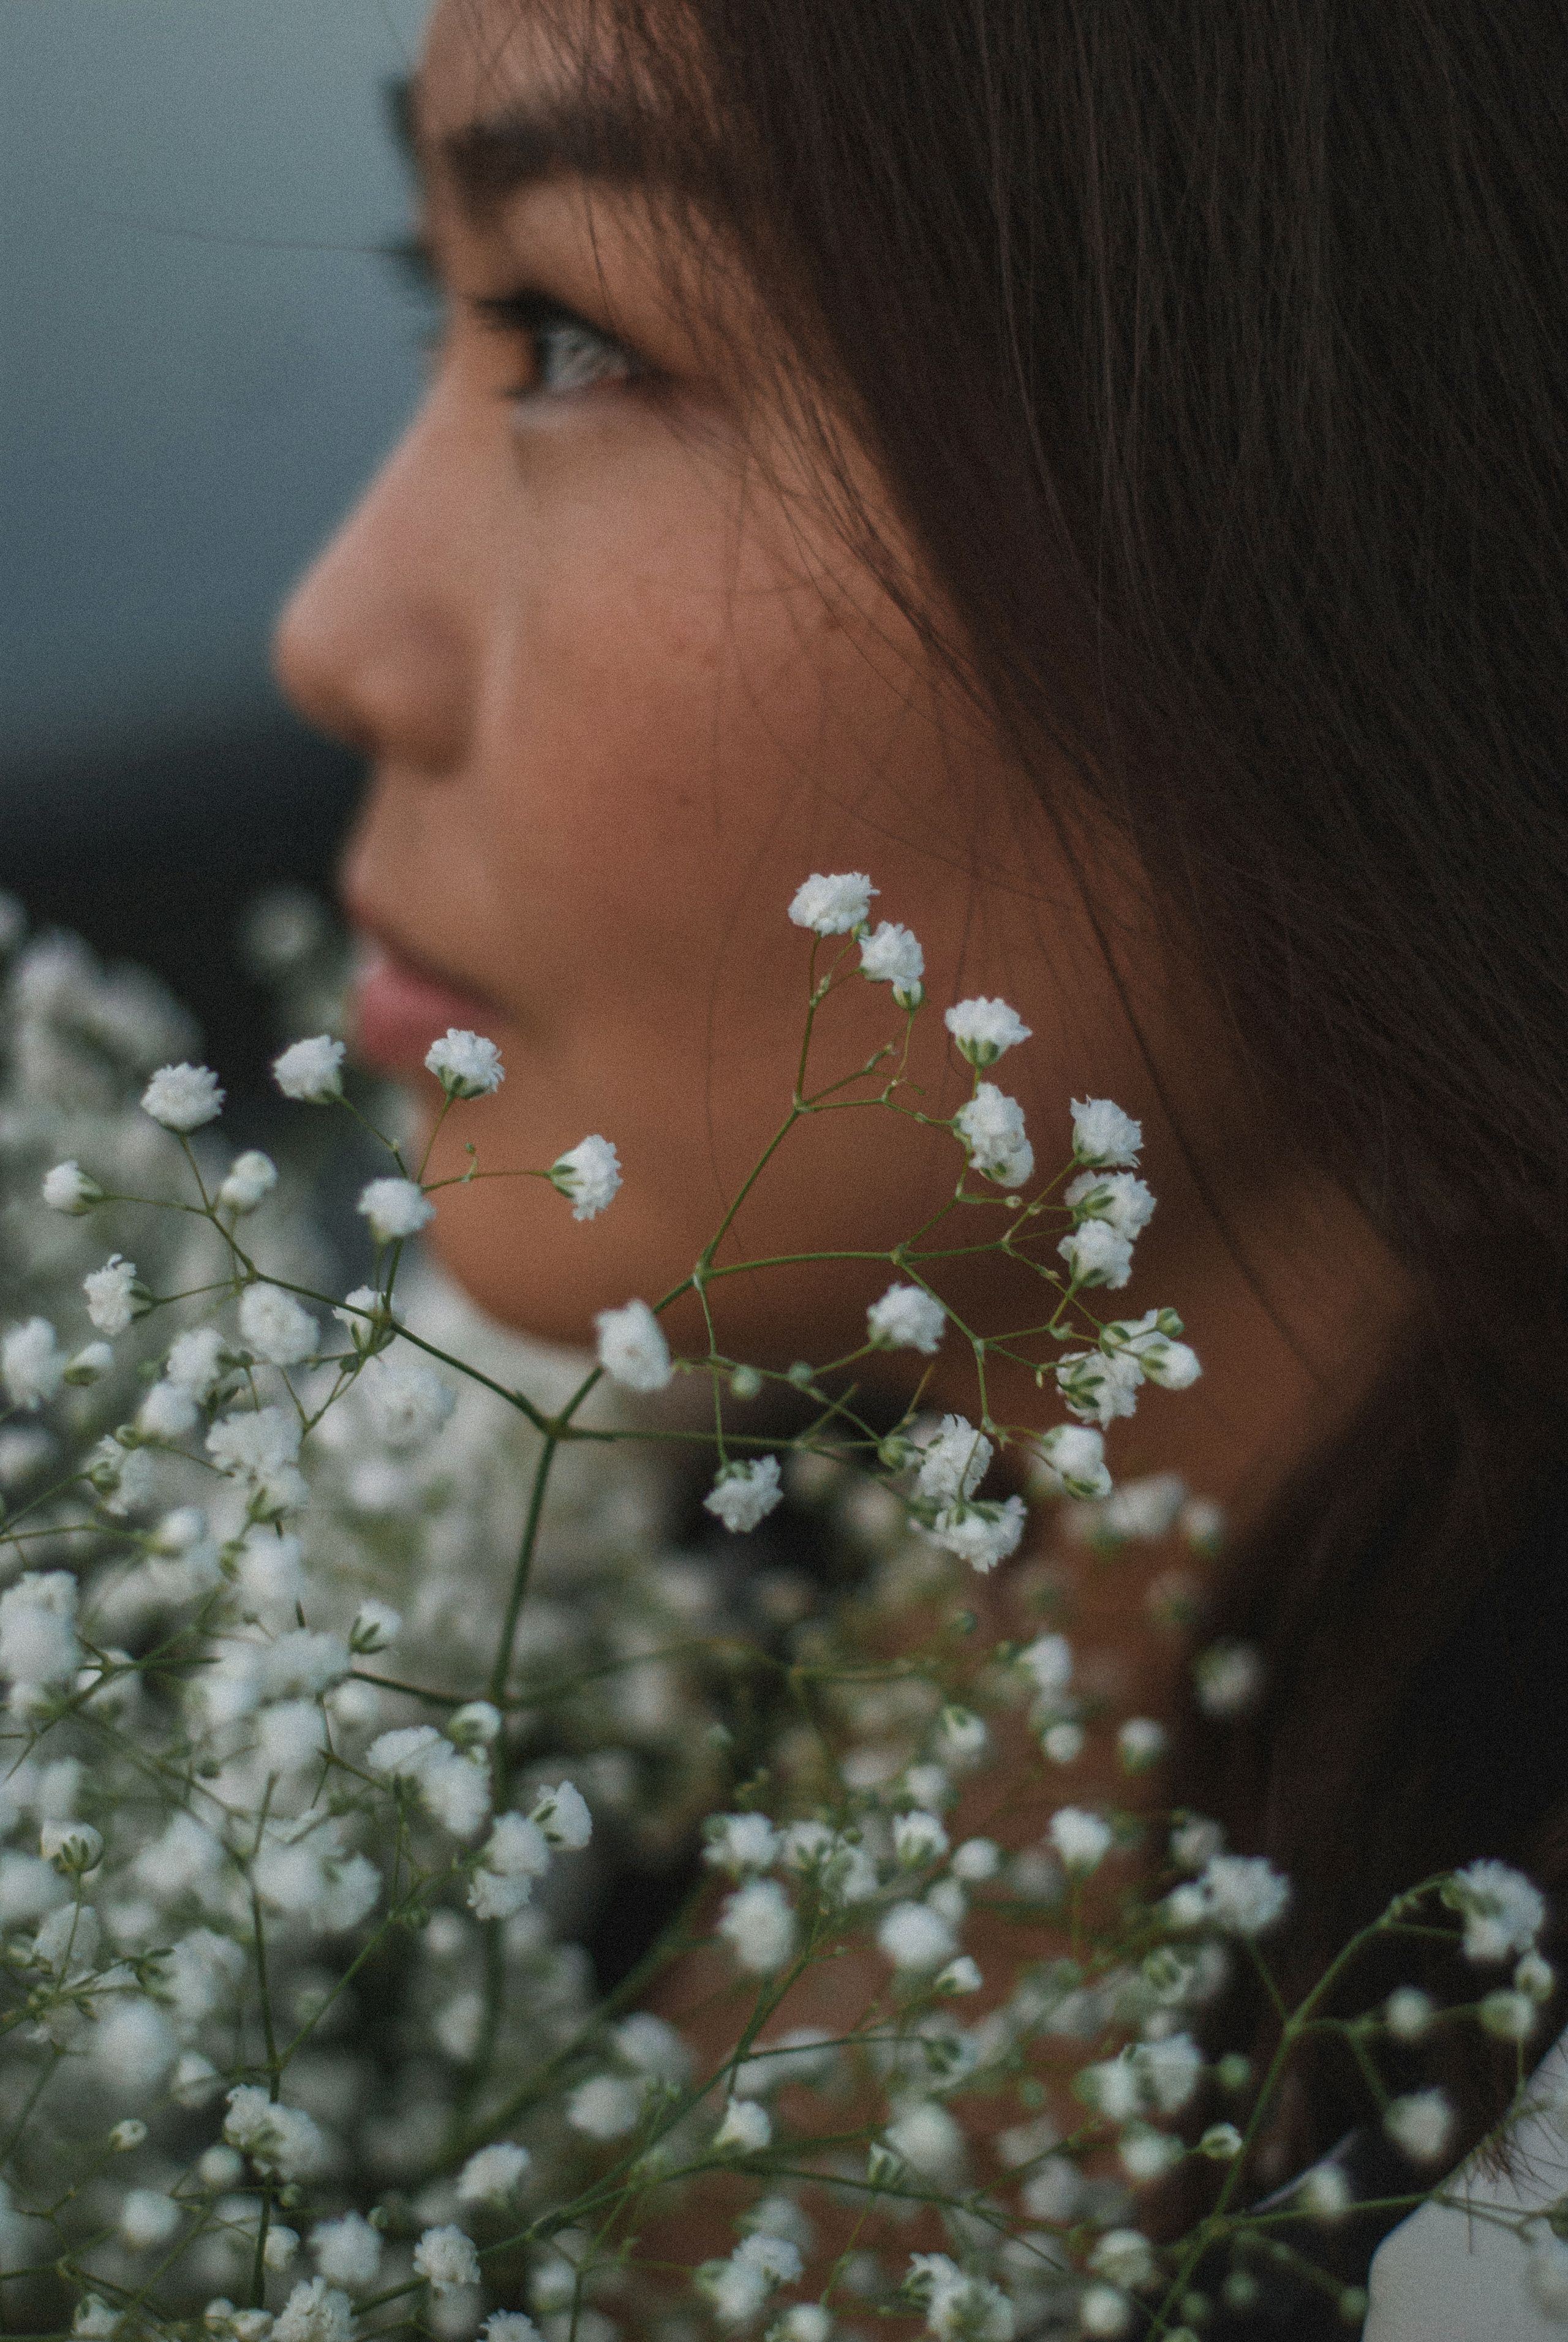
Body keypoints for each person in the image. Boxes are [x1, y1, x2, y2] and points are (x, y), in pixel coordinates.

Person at [273, 0, 1568, 2327]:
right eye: (443, 296)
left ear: (1361, 495)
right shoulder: (509, 1530)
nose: (337, 633)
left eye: (573, 329)